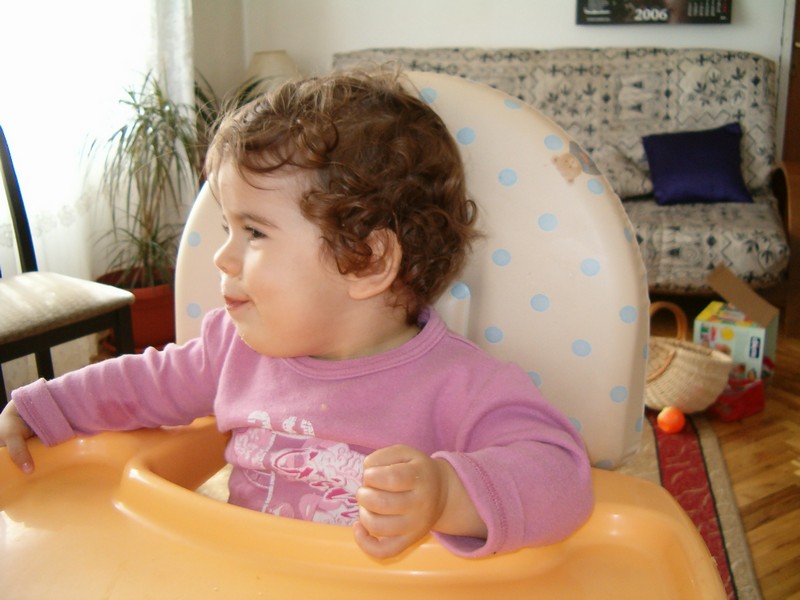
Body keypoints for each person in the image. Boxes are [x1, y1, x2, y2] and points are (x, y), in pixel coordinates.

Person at [0, 68, 593, 560]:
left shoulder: (462, 386)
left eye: (254, 232)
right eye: (228, 227)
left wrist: (447, 494)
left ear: (366, 260)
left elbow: (562, 476)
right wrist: (44, 406)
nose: (222, 256)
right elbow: (141, 383)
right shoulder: (233, 351)